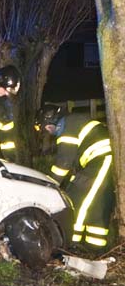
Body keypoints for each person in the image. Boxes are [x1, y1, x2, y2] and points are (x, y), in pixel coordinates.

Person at [38, 104, 114, 249]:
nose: (49, 131)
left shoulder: (67, 126)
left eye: (47, 126)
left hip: (102, 160)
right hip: (98, 161)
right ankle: (93, 248)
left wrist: (49, 184)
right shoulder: (73, 122)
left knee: (77, 202)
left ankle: (73, 245)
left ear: (53, 119)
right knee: (96, 206)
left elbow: (64, 163)